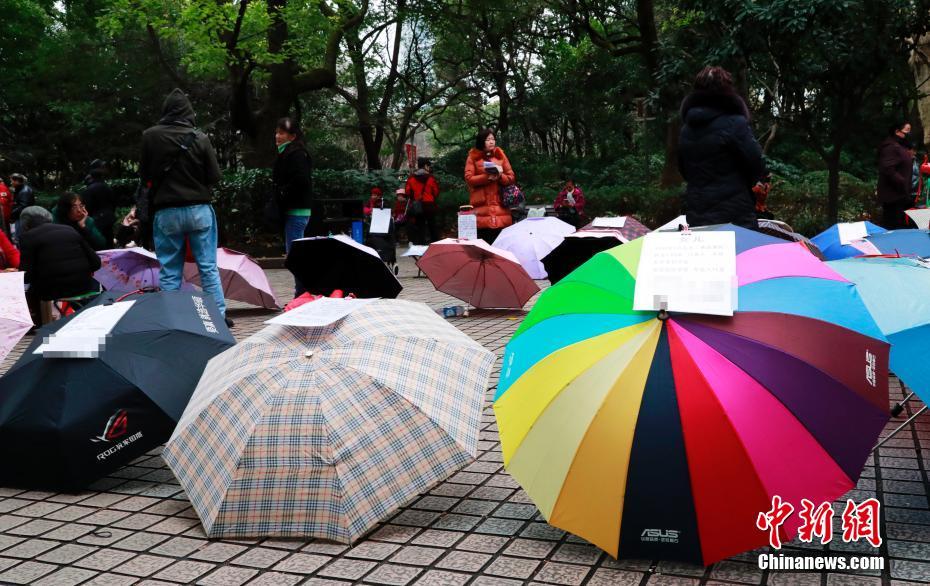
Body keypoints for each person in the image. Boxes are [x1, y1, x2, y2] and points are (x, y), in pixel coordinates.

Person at [140, 89, 228, 325]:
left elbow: (145, 174)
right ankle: (217, 317)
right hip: (199, 210)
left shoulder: (150, 136)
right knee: (208, 267)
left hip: (167, 212)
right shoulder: (200, 138)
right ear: (189, 112)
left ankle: (173, 320)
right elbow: (214, 176)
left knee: (170, 270)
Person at [677, 66, 764, 229]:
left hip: (698, 213)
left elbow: (684, 170)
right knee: (741, 254)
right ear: (727, 90)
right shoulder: (735, 123)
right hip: (736, 215)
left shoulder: (686, 129)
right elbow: (756, 164)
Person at [17, 206, 101, 305]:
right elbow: (96, 263)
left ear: (25, 224)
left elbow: (25, 275)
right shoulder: (69, 230)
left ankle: (42, 319)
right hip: (85, 287)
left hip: (52, 293)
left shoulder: (28, 237)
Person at [271, 117, 313, 296]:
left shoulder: (296, 154)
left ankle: (302, 294)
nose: (277, 136)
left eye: (281, 133)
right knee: (296, 255)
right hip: (294, 211)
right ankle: (302, 293)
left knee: (295, 256)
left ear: (292, 136)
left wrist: (283, 192)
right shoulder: (288, 152)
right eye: (277, 132)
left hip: (297, 211)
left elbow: (301, 180)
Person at [465, 128, 516, 243]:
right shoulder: (473, 157)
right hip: (482, 212)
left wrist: (499, 176)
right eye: (488, 139)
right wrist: (486, 177)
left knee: (502, 249)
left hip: (501, 208)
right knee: (484, 250)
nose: (491, 142)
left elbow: (511, 177)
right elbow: (469, 179)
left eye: (493, 139)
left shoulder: (500, 156)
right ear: (481, 141)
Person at [877, 122, 915, 229]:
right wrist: (903, 183)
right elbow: (888, 169)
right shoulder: (890, 146)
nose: (909, 134)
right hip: (893, 197)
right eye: (907, 131)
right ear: (897, 131)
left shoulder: (899, 146)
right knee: (894, 229)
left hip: (900, 196)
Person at [405, 157, 441, 244]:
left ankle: (421, 245)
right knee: (432, 226)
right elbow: (436, 192)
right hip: (429, 206)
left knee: (420, 226)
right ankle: (435, 244)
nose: (429, 168)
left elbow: (408, 192)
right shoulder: (431, 178)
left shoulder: (411, 178)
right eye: (428, 166)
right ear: (425, 166)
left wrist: (415, 197)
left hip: (418, 206)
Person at [82, 159, 116, 247]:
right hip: (108, 219)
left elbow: (87, 209)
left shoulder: (88, 190)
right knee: (109, 245)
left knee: (99, 246)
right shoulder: (107, 188)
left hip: (96, 221)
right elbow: (113, 204)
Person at [9, 173, 35, 243]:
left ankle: (21, 252)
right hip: (21, 216)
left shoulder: (24, 191)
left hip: (23, 217)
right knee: (20, 236)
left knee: (20, 237)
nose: (11, 183)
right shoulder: (20, 189)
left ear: (17, 181)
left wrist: (11, 214)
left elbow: (23, 206)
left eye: (12, 181)